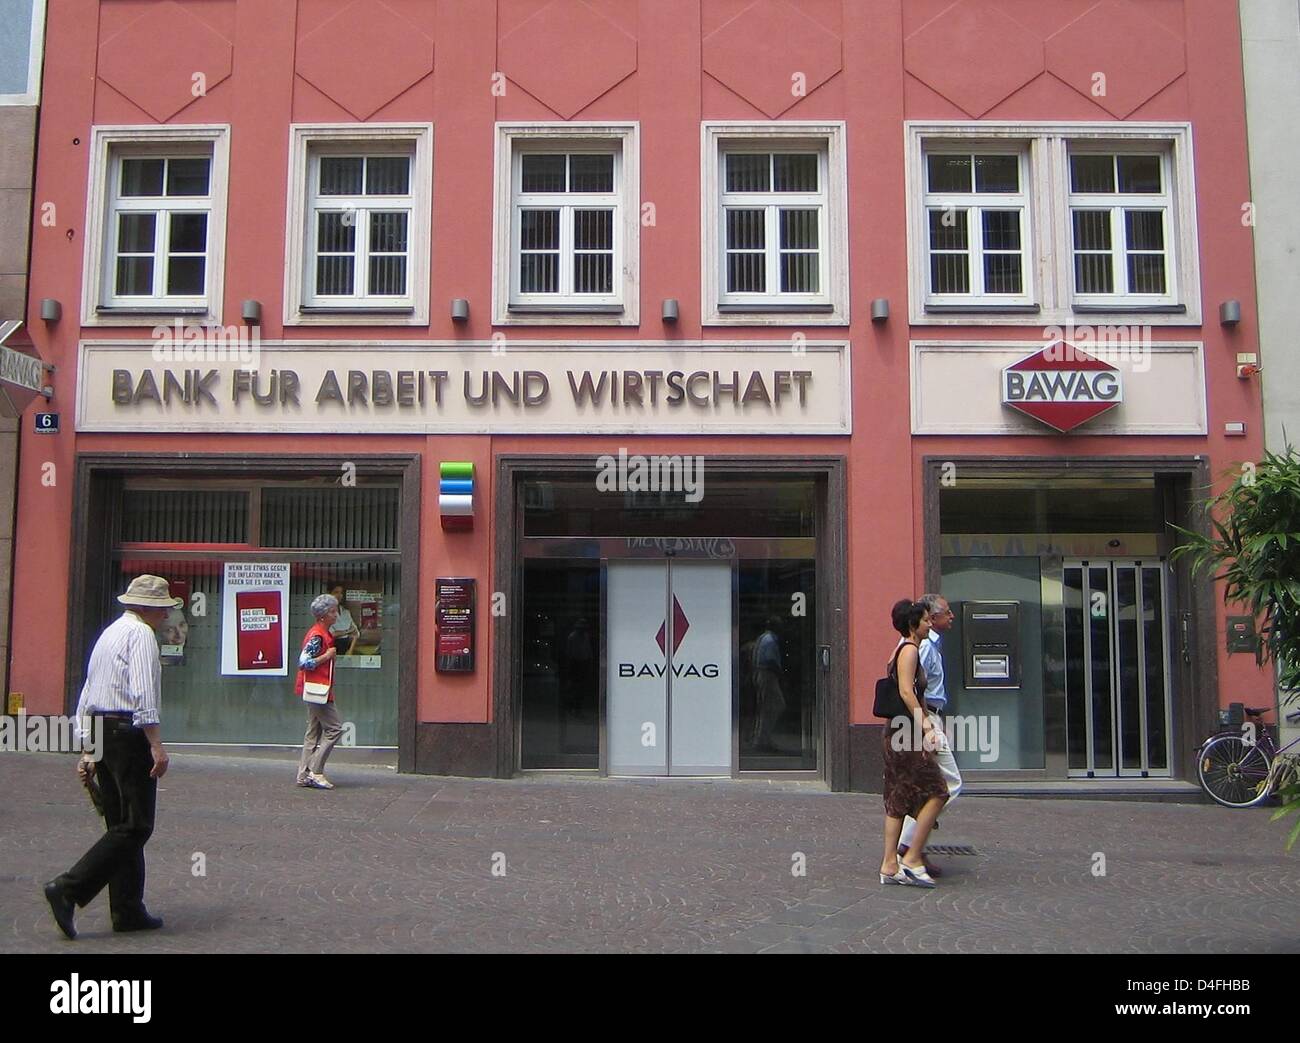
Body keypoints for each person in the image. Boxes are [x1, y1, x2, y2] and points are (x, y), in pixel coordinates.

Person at [43, 574, 179, 939]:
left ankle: (127, 909)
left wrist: (88, 746)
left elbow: (88, 693)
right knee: (136, 826)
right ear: (148, 609)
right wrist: (156, 743)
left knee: (120, 824)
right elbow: (144, 692)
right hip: (126, 732)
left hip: (103, 731)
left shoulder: (109, 634)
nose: (165, 616)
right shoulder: (141, 635)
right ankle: (68, 888)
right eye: (162, 609)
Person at [880, 599, 948, 888]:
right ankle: (911, 858)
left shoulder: (903, 649)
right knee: (938, 791)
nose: (929, 624)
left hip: (899, 732)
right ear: (913, 624)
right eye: (925, 620)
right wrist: (927, 729)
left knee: (899, 798)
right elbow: (907, 693)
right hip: (904, 734)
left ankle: (889, 864)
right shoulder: (909, 650)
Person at [898, 593, 962, 877]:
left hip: (929, 716)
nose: (952, 616)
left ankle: (915, 848)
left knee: (926, 786)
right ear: (931, 619)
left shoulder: (929, 644)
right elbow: (909, 688)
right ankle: (908, 844)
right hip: (923, 719)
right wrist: (926, 726)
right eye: (947, 612)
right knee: (949, 783)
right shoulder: (921, 647)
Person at [296, 593, 342, 790]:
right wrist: (327, 656)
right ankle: (315, 771)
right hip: (318, 689)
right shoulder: (317, 635)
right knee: (334, 729)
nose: (336, 615)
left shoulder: (320, 633)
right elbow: (304, 662)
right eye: (332, 612)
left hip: (314, 688)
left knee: (313, 732)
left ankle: (303, 775)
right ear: (323, 616)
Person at [750, 617, 787, 750]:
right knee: (774, 705)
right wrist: (780, 674)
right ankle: (762, 739)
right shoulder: (770, 640)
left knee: (765, 707)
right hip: (767, 674)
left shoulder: (763, 638)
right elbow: (770, 660)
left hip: (761, 673)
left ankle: (761, 738)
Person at [327, 583, 359, 656]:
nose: (339, 595)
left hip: (347, 649)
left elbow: (356, 633)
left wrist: (350, 651)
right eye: (336, 592)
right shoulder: (326, 612)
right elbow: (332, 634)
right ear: (329, 594)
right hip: (332, 649)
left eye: (341, 593)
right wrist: (348, 631)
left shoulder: (346, 612)